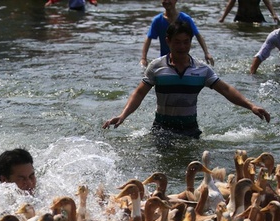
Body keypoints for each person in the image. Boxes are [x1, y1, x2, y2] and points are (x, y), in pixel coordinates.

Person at [103, 20, 270, 139]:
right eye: (177, 42)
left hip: (191, 131)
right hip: (162, 131)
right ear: (168, 41)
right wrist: (123, 115)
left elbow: (226, 90)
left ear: (191, 42)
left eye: (186, 42)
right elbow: (139, 93)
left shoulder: (201, 69)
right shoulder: (156, 67)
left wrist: (251, 106)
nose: (182, 47)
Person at [141, 0, 214, 67]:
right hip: (165, 60)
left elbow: (198, 36)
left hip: (183, 57)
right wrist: (144, 58)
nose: (167, 1)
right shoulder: (157, 20)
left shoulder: (185, 18)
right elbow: (148, 39)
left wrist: (206, 53)